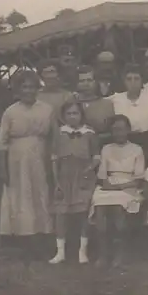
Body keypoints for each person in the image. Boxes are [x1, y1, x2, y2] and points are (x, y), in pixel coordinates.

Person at [0, 70, 57, 260]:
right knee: (21, 195)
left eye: (32, 87)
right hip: (17, 158)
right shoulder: (11, 111)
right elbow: (1, 142)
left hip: (40, 155)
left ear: (38, 88)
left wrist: (52, 160)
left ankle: (43, 237)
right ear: (18, 89)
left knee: (40, 193)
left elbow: (54, 137)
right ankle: (23, 239)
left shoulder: (47, 109)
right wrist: (2, 168)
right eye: (24, 87)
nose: (28, 91)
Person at [90, 115, 146, 268]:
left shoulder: (137, 149)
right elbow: (102, 175)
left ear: (128, 130)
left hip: (129, 186)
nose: (118, 133)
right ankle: (103, 254)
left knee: (118, 209)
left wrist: (119, 187)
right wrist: (109, 185)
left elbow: (138, 178)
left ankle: (119, 254)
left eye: (121, 129)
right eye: (115, 129)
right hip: (109, 185)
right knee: (99, 207)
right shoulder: (106, 148)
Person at [49, 101, 100, 265]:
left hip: (83, 175)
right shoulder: (59, 133)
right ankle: (60, 251)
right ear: (63, 117)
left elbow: (96, 156)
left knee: (83, 213)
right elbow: (54, 158)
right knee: (61, 213)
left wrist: (89, 169)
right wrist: (56, 180)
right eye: (69, 114)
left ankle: (82, 250)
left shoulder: (89, 133)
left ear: (81, 115)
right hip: (64, 175)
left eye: (75, 113)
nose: (72, 117)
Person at [107, 63, 148, 156]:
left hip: (147, 141)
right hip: (125, 141)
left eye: (136, 78)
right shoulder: (116, 98)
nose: (133, 82)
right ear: (124, 81)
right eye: (129, 79)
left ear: (142, 81)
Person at [73, 65, 115, 146]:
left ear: (95, 82)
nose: (86, 84)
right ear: (76, 83)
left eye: (89, 80)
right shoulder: (70, 104)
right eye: (82, 81)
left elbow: (111, 132)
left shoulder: (107, 104)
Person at [36, 59, 74, 124]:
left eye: (52, 72)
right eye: (46, 72)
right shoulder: (36, 95)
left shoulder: (67, 96)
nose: (49, 76)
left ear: (58, 74)